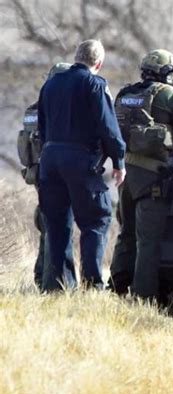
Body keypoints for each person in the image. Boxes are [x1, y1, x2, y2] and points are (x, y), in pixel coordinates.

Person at [38, 39, 126, 291]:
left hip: (50, 158)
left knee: (56, 223)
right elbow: (108, 126)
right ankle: (92, 284)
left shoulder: (51, 84)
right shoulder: (95, 84)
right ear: (98, 63)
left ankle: (59, 285)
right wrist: (118, 160)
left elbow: (42, 126)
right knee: (96, 220)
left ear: (76, 57)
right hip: (80, 159)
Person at [108, 49, 173, 302]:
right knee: (149, 240)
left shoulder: (124, 94)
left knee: (126, 234)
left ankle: (117, 288)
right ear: (167, 73)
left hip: (125, 174)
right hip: (152, 176)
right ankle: (143, 297)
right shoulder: (167, 94)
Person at [18, 62, 76, 289]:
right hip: (54, 176)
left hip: (38, 175)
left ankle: (42, 277)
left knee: (46, 226)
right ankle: (53, 281)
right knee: (55, 228)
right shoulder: (53, 109)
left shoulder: (33, 110)